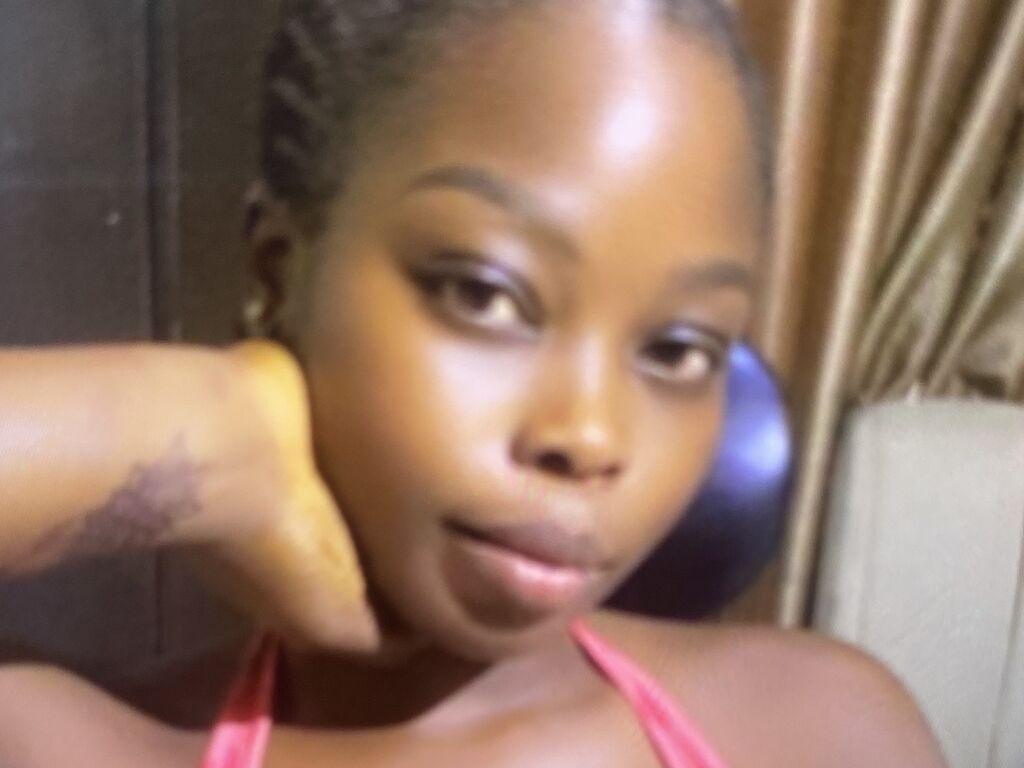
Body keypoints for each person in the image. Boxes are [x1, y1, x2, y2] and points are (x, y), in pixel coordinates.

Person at [0, 0, 947, 765]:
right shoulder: (78, 744)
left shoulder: (819, 729)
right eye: (486, 295)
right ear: (277, 271)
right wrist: (202, 430)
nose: (591, 435)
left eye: (677, 350)